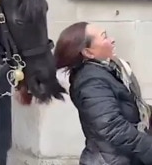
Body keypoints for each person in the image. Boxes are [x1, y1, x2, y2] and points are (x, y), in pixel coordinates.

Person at [54, 22, 152, 165]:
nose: (112, 39)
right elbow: (113, 128)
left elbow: (131, 109)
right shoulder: (91, 82)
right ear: (88, 52)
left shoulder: (107, 71)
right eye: (104, 37)